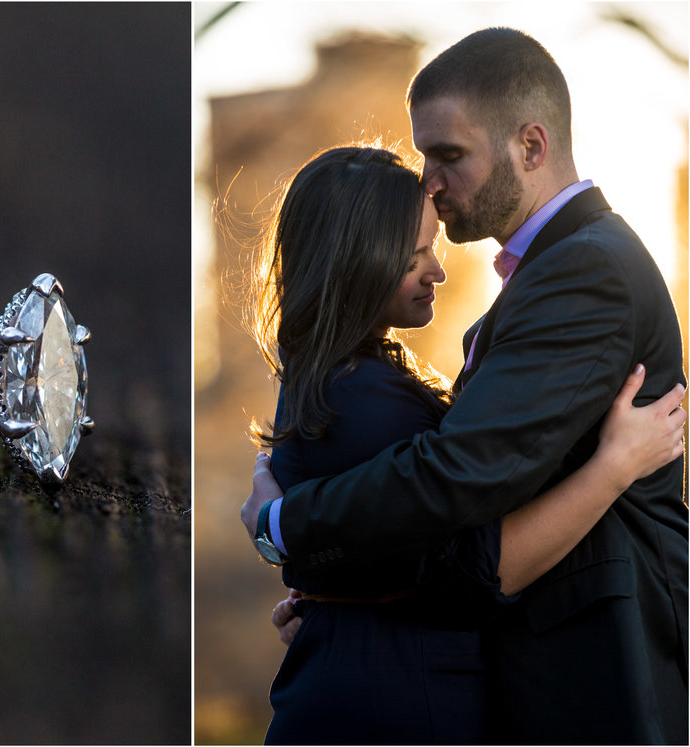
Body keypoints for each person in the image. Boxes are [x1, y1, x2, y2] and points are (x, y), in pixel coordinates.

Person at [241, 28, 688, 744]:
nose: (431, 180)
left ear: (531, 147)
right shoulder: (547, 275)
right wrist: (345, 601)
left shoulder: (587, 271)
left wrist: (284, 525)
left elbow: (455, 474)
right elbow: (452, 527)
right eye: (425, 155)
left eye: (449, 155)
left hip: (593, 667)